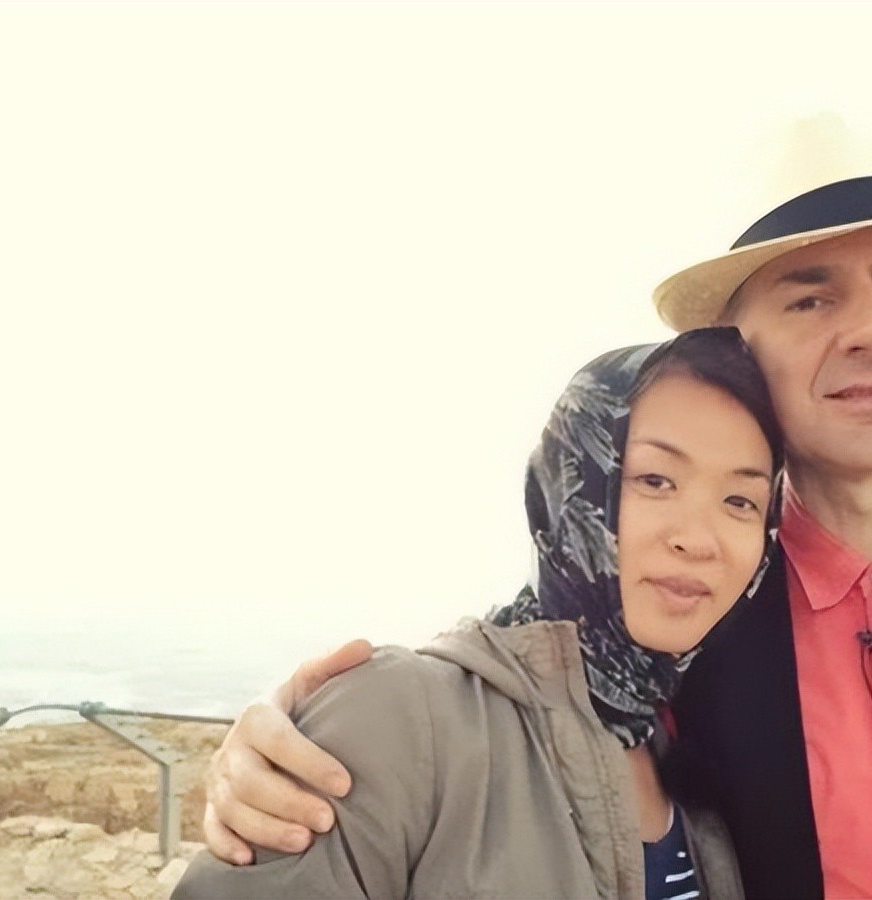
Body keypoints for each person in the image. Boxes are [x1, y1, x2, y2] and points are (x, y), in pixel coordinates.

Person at [202, 175, 872, 898]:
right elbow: (516, 708)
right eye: (812, 295)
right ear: (741, 349)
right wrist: (298, 743)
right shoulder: (684, 632)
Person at [172, 326, 784, 899]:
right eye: (654, 480)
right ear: (568, 485)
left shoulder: (689, 751)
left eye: (740, 500)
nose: (698, 539)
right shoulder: (402, 716)